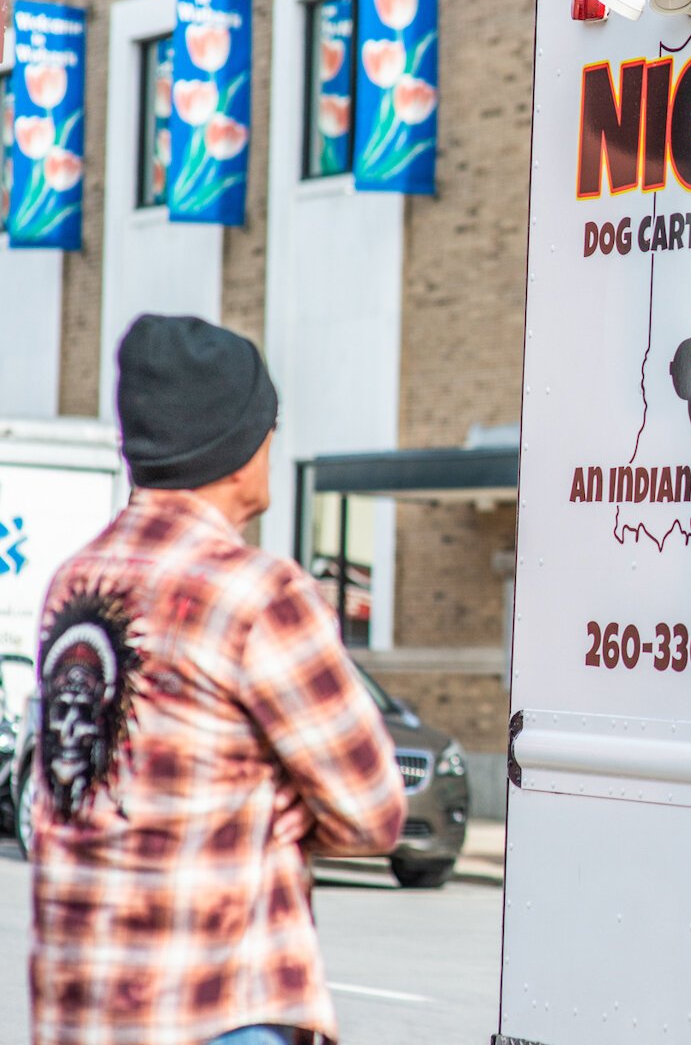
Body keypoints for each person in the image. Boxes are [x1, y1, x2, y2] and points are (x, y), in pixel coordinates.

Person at [29, 314, 407, 1045]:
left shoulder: (71, 582)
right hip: (216, 1006)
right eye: (269, 426)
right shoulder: (256, 592)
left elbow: (87, 792)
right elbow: (374, 811)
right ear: (238, 449)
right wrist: (259, 816)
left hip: (80, 1006)